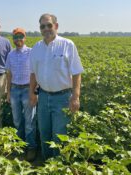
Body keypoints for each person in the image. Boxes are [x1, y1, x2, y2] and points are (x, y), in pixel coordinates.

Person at [29, 13, 84, 160]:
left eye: (49, 25)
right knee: (45, 133)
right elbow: (33, 73)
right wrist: (32, 94)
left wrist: (75, 96)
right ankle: (48, 164)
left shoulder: (67, 45)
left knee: (59, 135)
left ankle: (58, 167)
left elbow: (77, 72)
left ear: (56, 26)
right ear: (40, 29)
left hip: (62, 98)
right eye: (42, 26)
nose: (46, 29)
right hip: (44, 96)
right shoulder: (36, 48)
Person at [5, 28, 37, 161]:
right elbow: (9, 74)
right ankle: (20, 146)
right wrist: (8, 92)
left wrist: (34, 91)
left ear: (25, 38)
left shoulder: (32, 52)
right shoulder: (11, 54)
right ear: (13, 39)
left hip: (27, 89)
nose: (18, 39)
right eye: (16, 37)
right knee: (17, 120)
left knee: (29, 121)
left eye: (21, 37)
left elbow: (36, 72)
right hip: (14, 90)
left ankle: (31, 147)